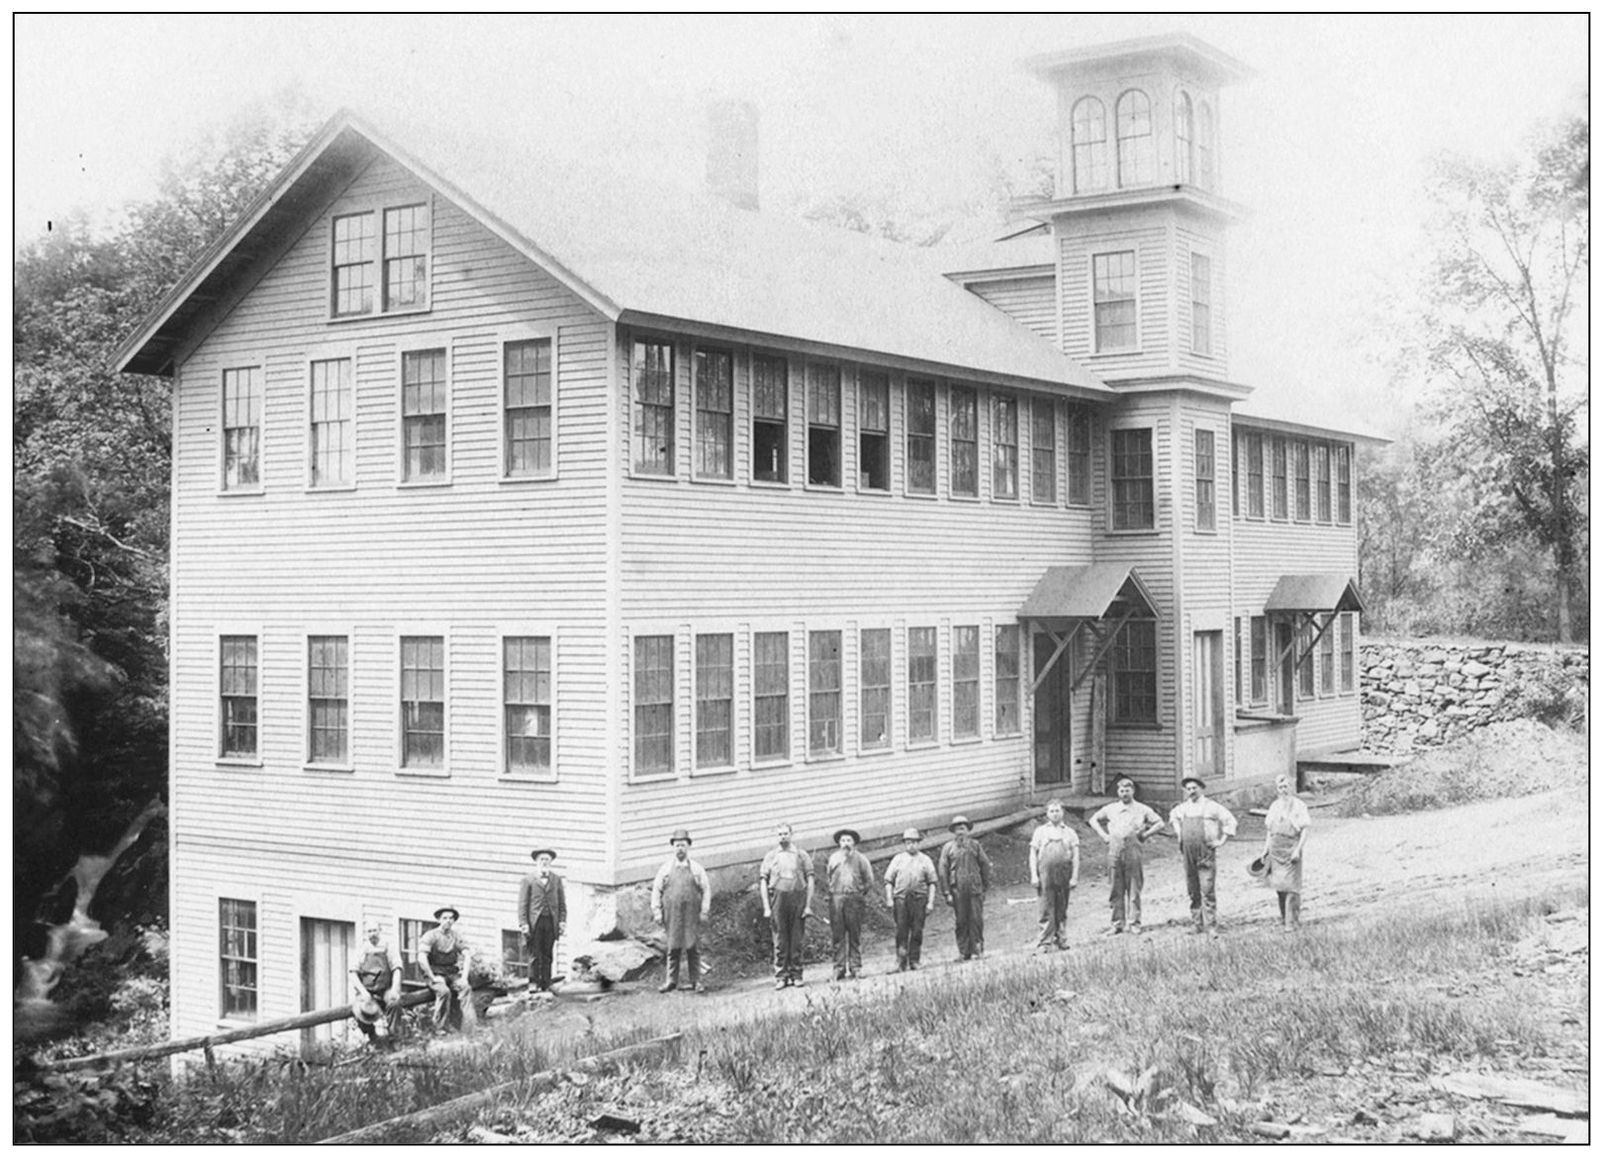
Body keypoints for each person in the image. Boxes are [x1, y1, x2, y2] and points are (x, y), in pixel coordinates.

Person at [1089, 778, 1165, 935]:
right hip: (1114, 850)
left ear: (1133, 791)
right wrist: (1104, 835)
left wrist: (1145, 834)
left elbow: (1160, 823)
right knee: (1115, 888)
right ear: (1118, 792)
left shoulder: (1142, 809)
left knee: (1134, 887)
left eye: (1127, 790)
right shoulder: (1111, 808)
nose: (1124, 793)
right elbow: (1093, 819)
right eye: (1122, 791)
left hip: (1133, 850)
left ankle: (1134, 922)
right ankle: (1117, 923)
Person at [1168, 777, 1239, 935]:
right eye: (1188, 789)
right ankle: (1197, 923)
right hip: (1188, 852)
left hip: (1205, 852)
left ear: (1201, 788)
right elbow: (1173, 817)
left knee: (1207, 889)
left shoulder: (1211, 807)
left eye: (1194, 788)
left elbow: (1230, 821)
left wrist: (1221, 841)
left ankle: (1211, 925)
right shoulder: (1183, 808)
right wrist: (1179, 834)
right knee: (1192, 889)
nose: (1191, 791)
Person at [651, 828, 712, 992]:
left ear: (688, 847)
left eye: (683, 845)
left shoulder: (697, 869)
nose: (680, 848)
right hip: (672, 914)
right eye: (677, 845)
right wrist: (657, 911)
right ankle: (671, 981)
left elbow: (706, 890)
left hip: (691, 914)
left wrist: (704, 911)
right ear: (673, 847)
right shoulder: (665, 869)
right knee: (673, 947)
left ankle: (696, 981)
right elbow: (656, 890)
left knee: (693, 947)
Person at [759, 823, 816, 989]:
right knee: (780, 939)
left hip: (797, 899)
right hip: (778, 900)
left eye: (785, 833)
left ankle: (796, 974)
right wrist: (767, 907)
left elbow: (810, 879)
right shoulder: (771, 856)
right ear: (777, 837)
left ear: (791, 835)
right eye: (780, 834)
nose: (783, 836)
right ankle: (781, 976)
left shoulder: (801, 855)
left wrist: (808, 905)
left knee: (796, 939)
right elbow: (763, 881)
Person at [937, 815, 993, 960]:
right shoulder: (948, 848)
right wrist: (946, 892)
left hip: (974, 889)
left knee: (976, 919)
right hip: (958, 891)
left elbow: (985, 865)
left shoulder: (975, 845)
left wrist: (984, 887)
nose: (960, 832)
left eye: (963, 828)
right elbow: (943, 871)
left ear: (968, 830)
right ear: (953, 832)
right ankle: (963, 952)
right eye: (957, 829)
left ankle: (978, 950)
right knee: (961, 921)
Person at [1028, 800, 1081, 952]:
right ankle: (1045, 942)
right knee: (1045, 906)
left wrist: (1074, 877)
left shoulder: (1070, 832)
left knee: (1061, 906)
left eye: (1057, 810)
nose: (1055, 814)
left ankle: (1061, 939)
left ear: (1063, 812)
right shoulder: (1040, 831)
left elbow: (1076, 856)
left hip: (1064, 873)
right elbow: (1033, 854)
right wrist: (1034, 875)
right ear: (1047, 814)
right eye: (1051, 811)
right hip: (1045, 873)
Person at [883, 828, 938, 971]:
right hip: (901, 900)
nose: (911, 845)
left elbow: (932, 883)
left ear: (919, 843)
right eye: (908, 842)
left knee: (917, 930)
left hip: (919, 900)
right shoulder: (898, 859)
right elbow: (888, 881)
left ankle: (914, 960)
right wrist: (889, 899)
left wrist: (930, 903)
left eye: (914, 842)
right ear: (904, 844)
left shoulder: (925, 860)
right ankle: (900, 962)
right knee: (901, 931)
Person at [825, 828, 876, 980]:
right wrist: (835, 893)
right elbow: (829, 878)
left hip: (854, 899)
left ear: (854, 843)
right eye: (842, 841)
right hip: (837, 899)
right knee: (838, 935)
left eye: (848, 840)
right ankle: (838, 968)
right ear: (839, 843)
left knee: (855, 934)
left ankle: (856, 967)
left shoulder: (861, 859)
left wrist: (859, 894)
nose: (845, 844)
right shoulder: (833, 859)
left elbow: (869, 880)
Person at [1264, 774, 1312, 932]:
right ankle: (1284, 919)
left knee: (1292, 887)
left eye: (1286, 787)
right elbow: (1269, 831)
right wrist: (1266, 849)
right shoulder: (1274, 806)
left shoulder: (1299, 805)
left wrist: (1298, 849)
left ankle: (1292, 923)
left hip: (1292, 848)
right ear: (1277, 789)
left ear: (1292, 787)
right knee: (1280, 887)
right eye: (1280, 787)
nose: (1283, 790)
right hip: (1276, 850)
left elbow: (1305, 830)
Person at [418, 906, 478, 1033]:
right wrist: (432, 977)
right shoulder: (430, 936)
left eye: (451, 918)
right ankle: (439, 1026)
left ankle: (469, 1027)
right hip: (435, 973)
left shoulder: (456, 936)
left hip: (451, 973)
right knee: (444, 991)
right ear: (439, 920)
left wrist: (464, 978)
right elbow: (421, 958)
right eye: (445, 918)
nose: (448, 921)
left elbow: (467, 955)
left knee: (465, 988)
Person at [518, 848, 567, 997]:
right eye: (541, 859)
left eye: (547, 859)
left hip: (551, 921)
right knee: (535, 954)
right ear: (536, 862)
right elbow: (522, 904)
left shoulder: (556, 879)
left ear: (551, 862)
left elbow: (562, 904)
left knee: (547, 953)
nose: (544, 862)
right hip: (535, 923)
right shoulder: (528, 880)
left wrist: (562, 921)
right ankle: (533, 982)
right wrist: (523, 923)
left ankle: (546, 983)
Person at [348, 920, 404, 1045]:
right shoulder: (362, 949)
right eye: (369, 931)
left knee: (394, 1003)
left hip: (385, 988)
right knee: (359, 1009)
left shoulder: (388, 946)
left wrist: (395, 988)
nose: (372, 934)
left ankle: (394, 1038)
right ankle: (372, 1037)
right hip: (367, 989)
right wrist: (363, 992)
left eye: (374, 930)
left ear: (380, 931)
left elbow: (397, 969)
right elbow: (352, 973)